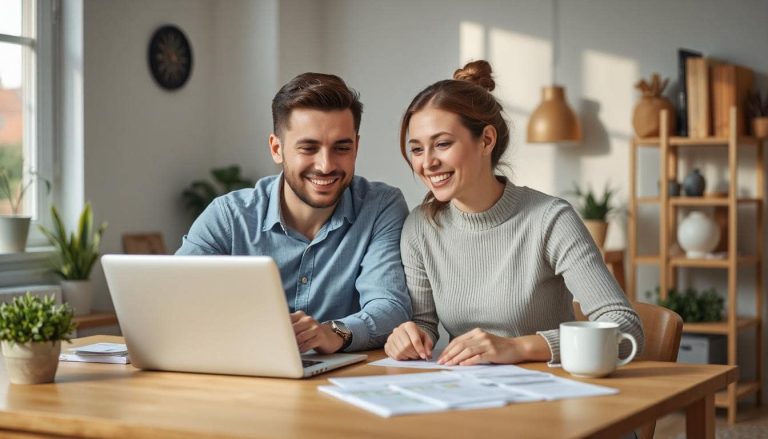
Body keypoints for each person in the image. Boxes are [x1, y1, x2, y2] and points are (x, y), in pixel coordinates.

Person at [384, 60, 644, 366]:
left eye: (442, 144)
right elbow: (424, 326)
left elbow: (626, 328)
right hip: (463, 393)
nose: (427, 163)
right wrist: (408, 337)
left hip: (549, 394)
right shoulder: (420, 226)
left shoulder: (550, 219)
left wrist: (518, 348)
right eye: (416, 149)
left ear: (486, 140)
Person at [177, 73, 412, 354]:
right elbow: (175, 300)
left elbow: (391, 306)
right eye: (308, 148)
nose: (326, 165)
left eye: (341, 148)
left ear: (356, 147)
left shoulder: (380, 207)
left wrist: (333, 332)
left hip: (338, 385)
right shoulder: (228, 216)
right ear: (277, 149)